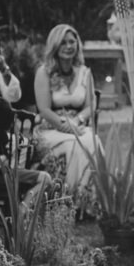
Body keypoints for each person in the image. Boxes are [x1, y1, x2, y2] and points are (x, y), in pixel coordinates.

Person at [34, 24, 100, 194]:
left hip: (78, 125)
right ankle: (65, 197)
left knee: (93, 142)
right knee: (71, 144)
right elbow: (44, 109)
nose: (69, 46)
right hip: (50, 127)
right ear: (55, 45)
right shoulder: (44, 72)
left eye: (72, 42)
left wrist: (77, 121)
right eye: (63, 42)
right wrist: (64, 125)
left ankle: (87, 200)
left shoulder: (85, 72)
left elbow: (90, 106)